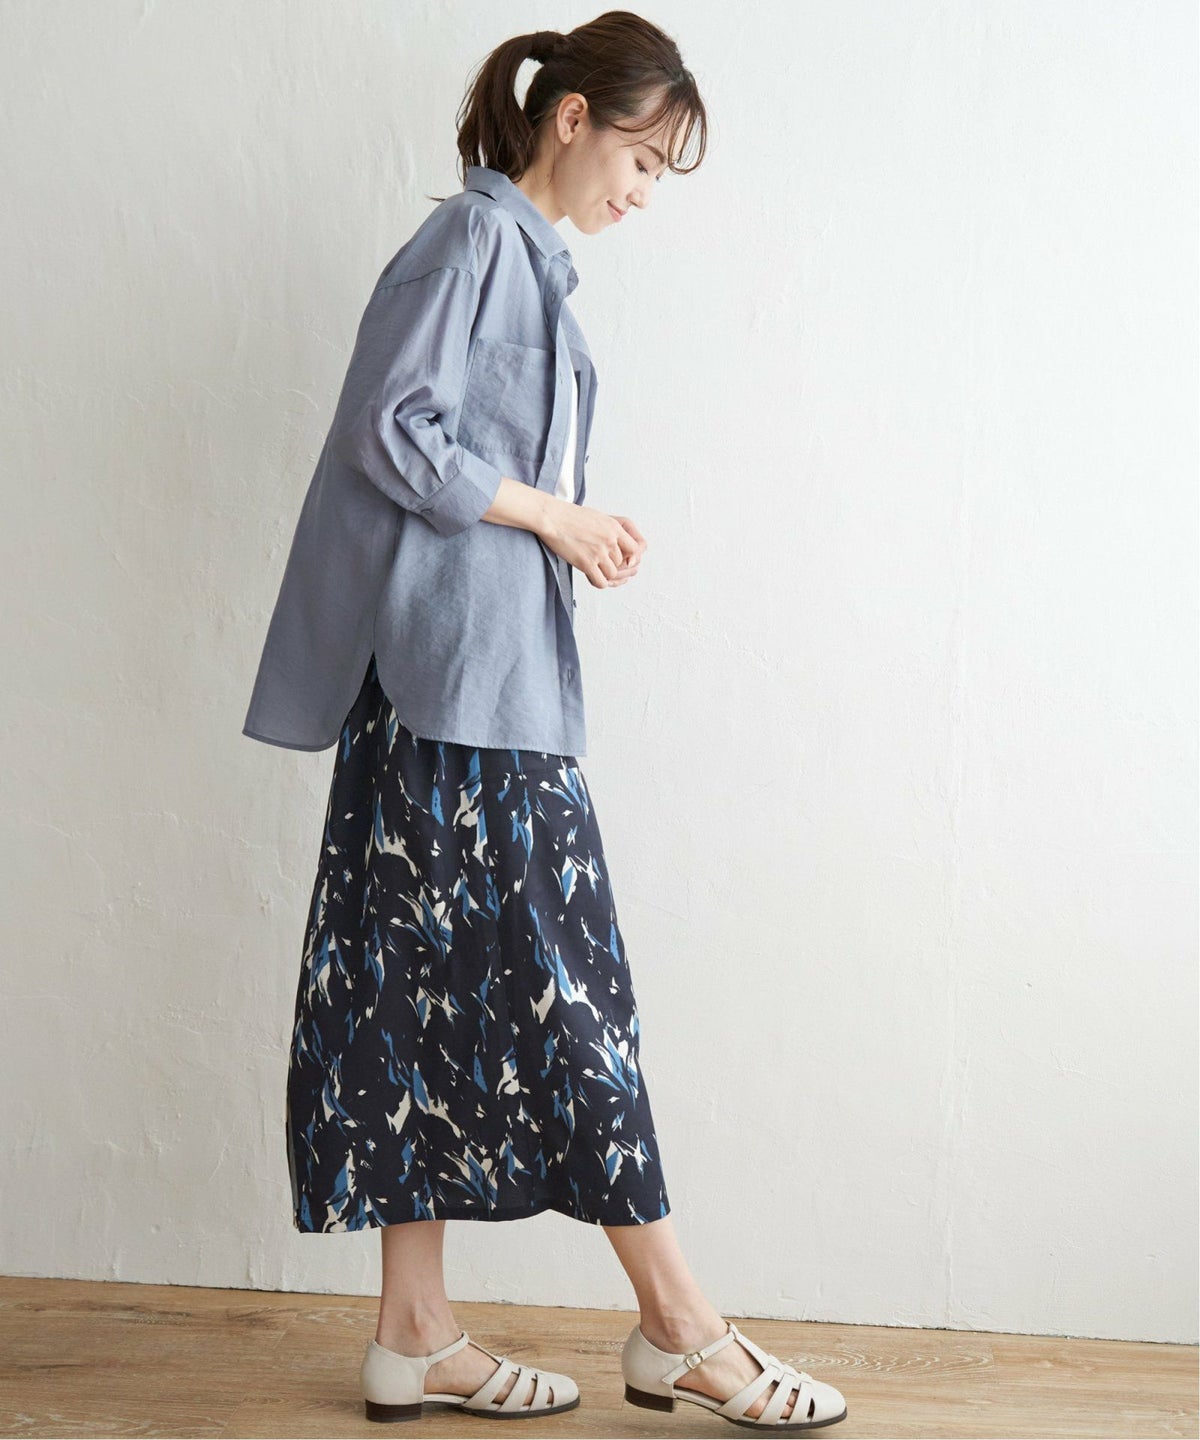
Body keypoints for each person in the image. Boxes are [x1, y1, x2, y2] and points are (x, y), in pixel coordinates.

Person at [242, 10, 847, 1432]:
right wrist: (554, 518)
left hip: (473, 692)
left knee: (412, 996)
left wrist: (561, 529)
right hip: (453, 702)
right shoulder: (470, 241)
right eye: (641, 157)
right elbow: (389, 427)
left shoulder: (531, 267)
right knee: (572, 1001)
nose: (645, 191)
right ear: (570, 117)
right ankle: (682, 1328)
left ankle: (414, 1336)